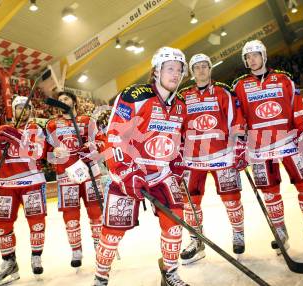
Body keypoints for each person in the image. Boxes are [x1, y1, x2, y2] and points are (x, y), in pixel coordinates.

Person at [92, 47, 189, 286]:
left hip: (160, 173)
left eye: (179, 70)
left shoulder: (181, 103)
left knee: (175, 221)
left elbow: (180, 138)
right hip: (128, 171)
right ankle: (100, 278)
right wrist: (126, 171)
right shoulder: (136, 95)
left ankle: (170, 271)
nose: (175, 74)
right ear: (156, 71)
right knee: (112, 233)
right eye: (170, 69)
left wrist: (177, 161)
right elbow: (114, 136)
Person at [234, 40, 303, 254]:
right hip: (259, 148)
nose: (252, 59)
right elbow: (238, 118)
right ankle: (280, 232)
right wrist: (239, 144)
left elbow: (297, 108)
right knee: (270, 193)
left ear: (264, 56)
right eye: (248, 57)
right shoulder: (239, 85)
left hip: (290, 142)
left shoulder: (283, 78)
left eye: (255, 55)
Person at [178, 53, 246, 264]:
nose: (200, 70)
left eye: (204, 66)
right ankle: (196, 241)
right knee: (191, 203)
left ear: (210, 69)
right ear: (191, 71)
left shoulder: (222, 91)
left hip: (222, 155)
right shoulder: (183, 96)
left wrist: (240, 148)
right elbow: (177, 126)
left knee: (232, 199)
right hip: (192, 159)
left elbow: (236, 121)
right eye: (196, 67)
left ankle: (238, 233)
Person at [0, 96, 48, 284]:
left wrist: (15, 136)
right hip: (6, 184)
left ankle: (36, 256)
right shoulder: (1, 130)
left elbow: (37, 152)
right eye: (19, 107)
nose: (24, 110)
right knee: (1, 225)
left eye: (27, 107)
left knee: (36, 222)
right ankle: (9, 263)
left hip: (31, 181)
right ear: (12, 110)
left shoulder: (35, 129)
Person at [45, 91, 103, 269]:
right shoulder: (52, 124)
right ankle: (76, 250)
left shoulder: (87, 120)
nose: (62, 102)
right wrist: (53, 152)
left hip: (89, 171)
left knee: (95, 211)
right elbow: (45, 151)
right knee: (70, 215)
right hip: (66, 174)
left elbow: (101, 141)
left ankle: (99, 246)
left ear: (74, 102)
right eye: (60, 100)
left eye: (66, 99)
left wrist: (91, 146)